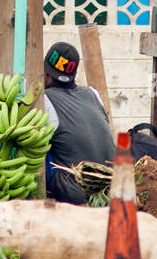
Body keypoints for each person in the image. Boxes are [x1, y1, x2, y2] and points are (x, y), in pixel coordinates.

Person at [39, 42, 113, 205]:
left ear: (46, 73)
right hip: (109, 191)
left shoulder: (45, 100)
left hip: (75, 194)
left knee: (36, 146)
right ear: (74, 73)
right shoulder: (93, 94)